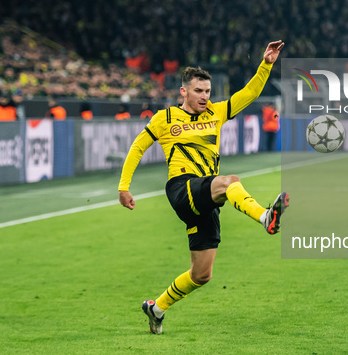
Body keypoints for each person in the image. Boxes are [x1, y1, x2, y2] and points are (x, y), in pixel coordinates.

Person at [118, 40, 288, 335]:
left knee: (202, 274)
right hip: (182, 188)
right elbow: (137, 148)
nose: (204, 97)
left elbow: (249, 93)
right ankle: (265, 217)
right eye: (198, 91)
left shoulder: (216, 113)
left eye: (208, 91)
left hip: (207, 196)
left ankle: (156, 308)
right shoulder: (165, 118)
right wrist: (124, 186)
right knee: (230, 181)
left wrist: (267, 64)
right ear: (184, 91)